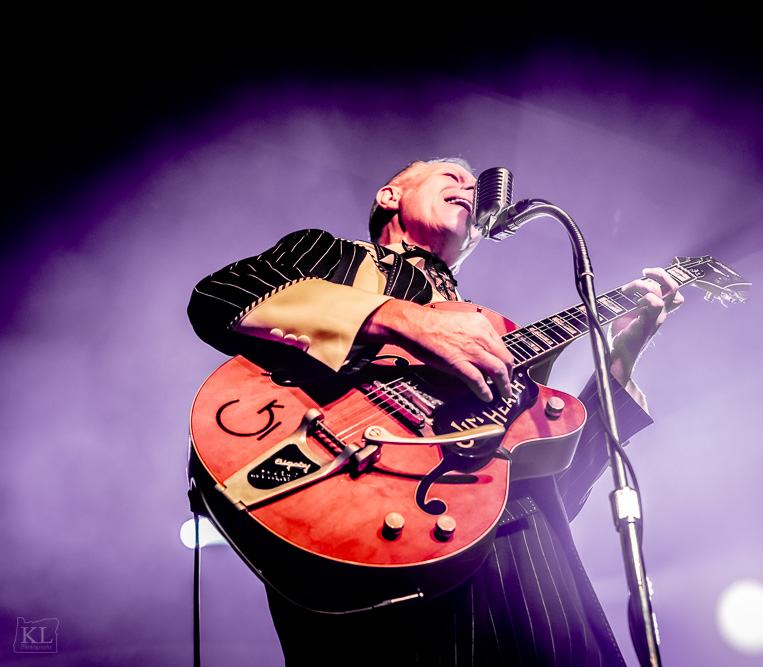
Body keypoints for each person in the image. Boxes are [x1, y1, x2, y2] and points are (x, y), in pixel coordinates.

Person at [188, 158, 683, 666]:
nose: (471, 187)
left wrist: (623, 354)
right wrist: (403, 321)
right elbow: (220, 297)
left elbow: (556, 490)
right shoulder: (330, 255)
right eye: (451, 176)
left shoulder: (489, 333)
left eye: (473, 185)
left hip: (531, 575)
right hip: (371, 556)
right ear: (389, 197)